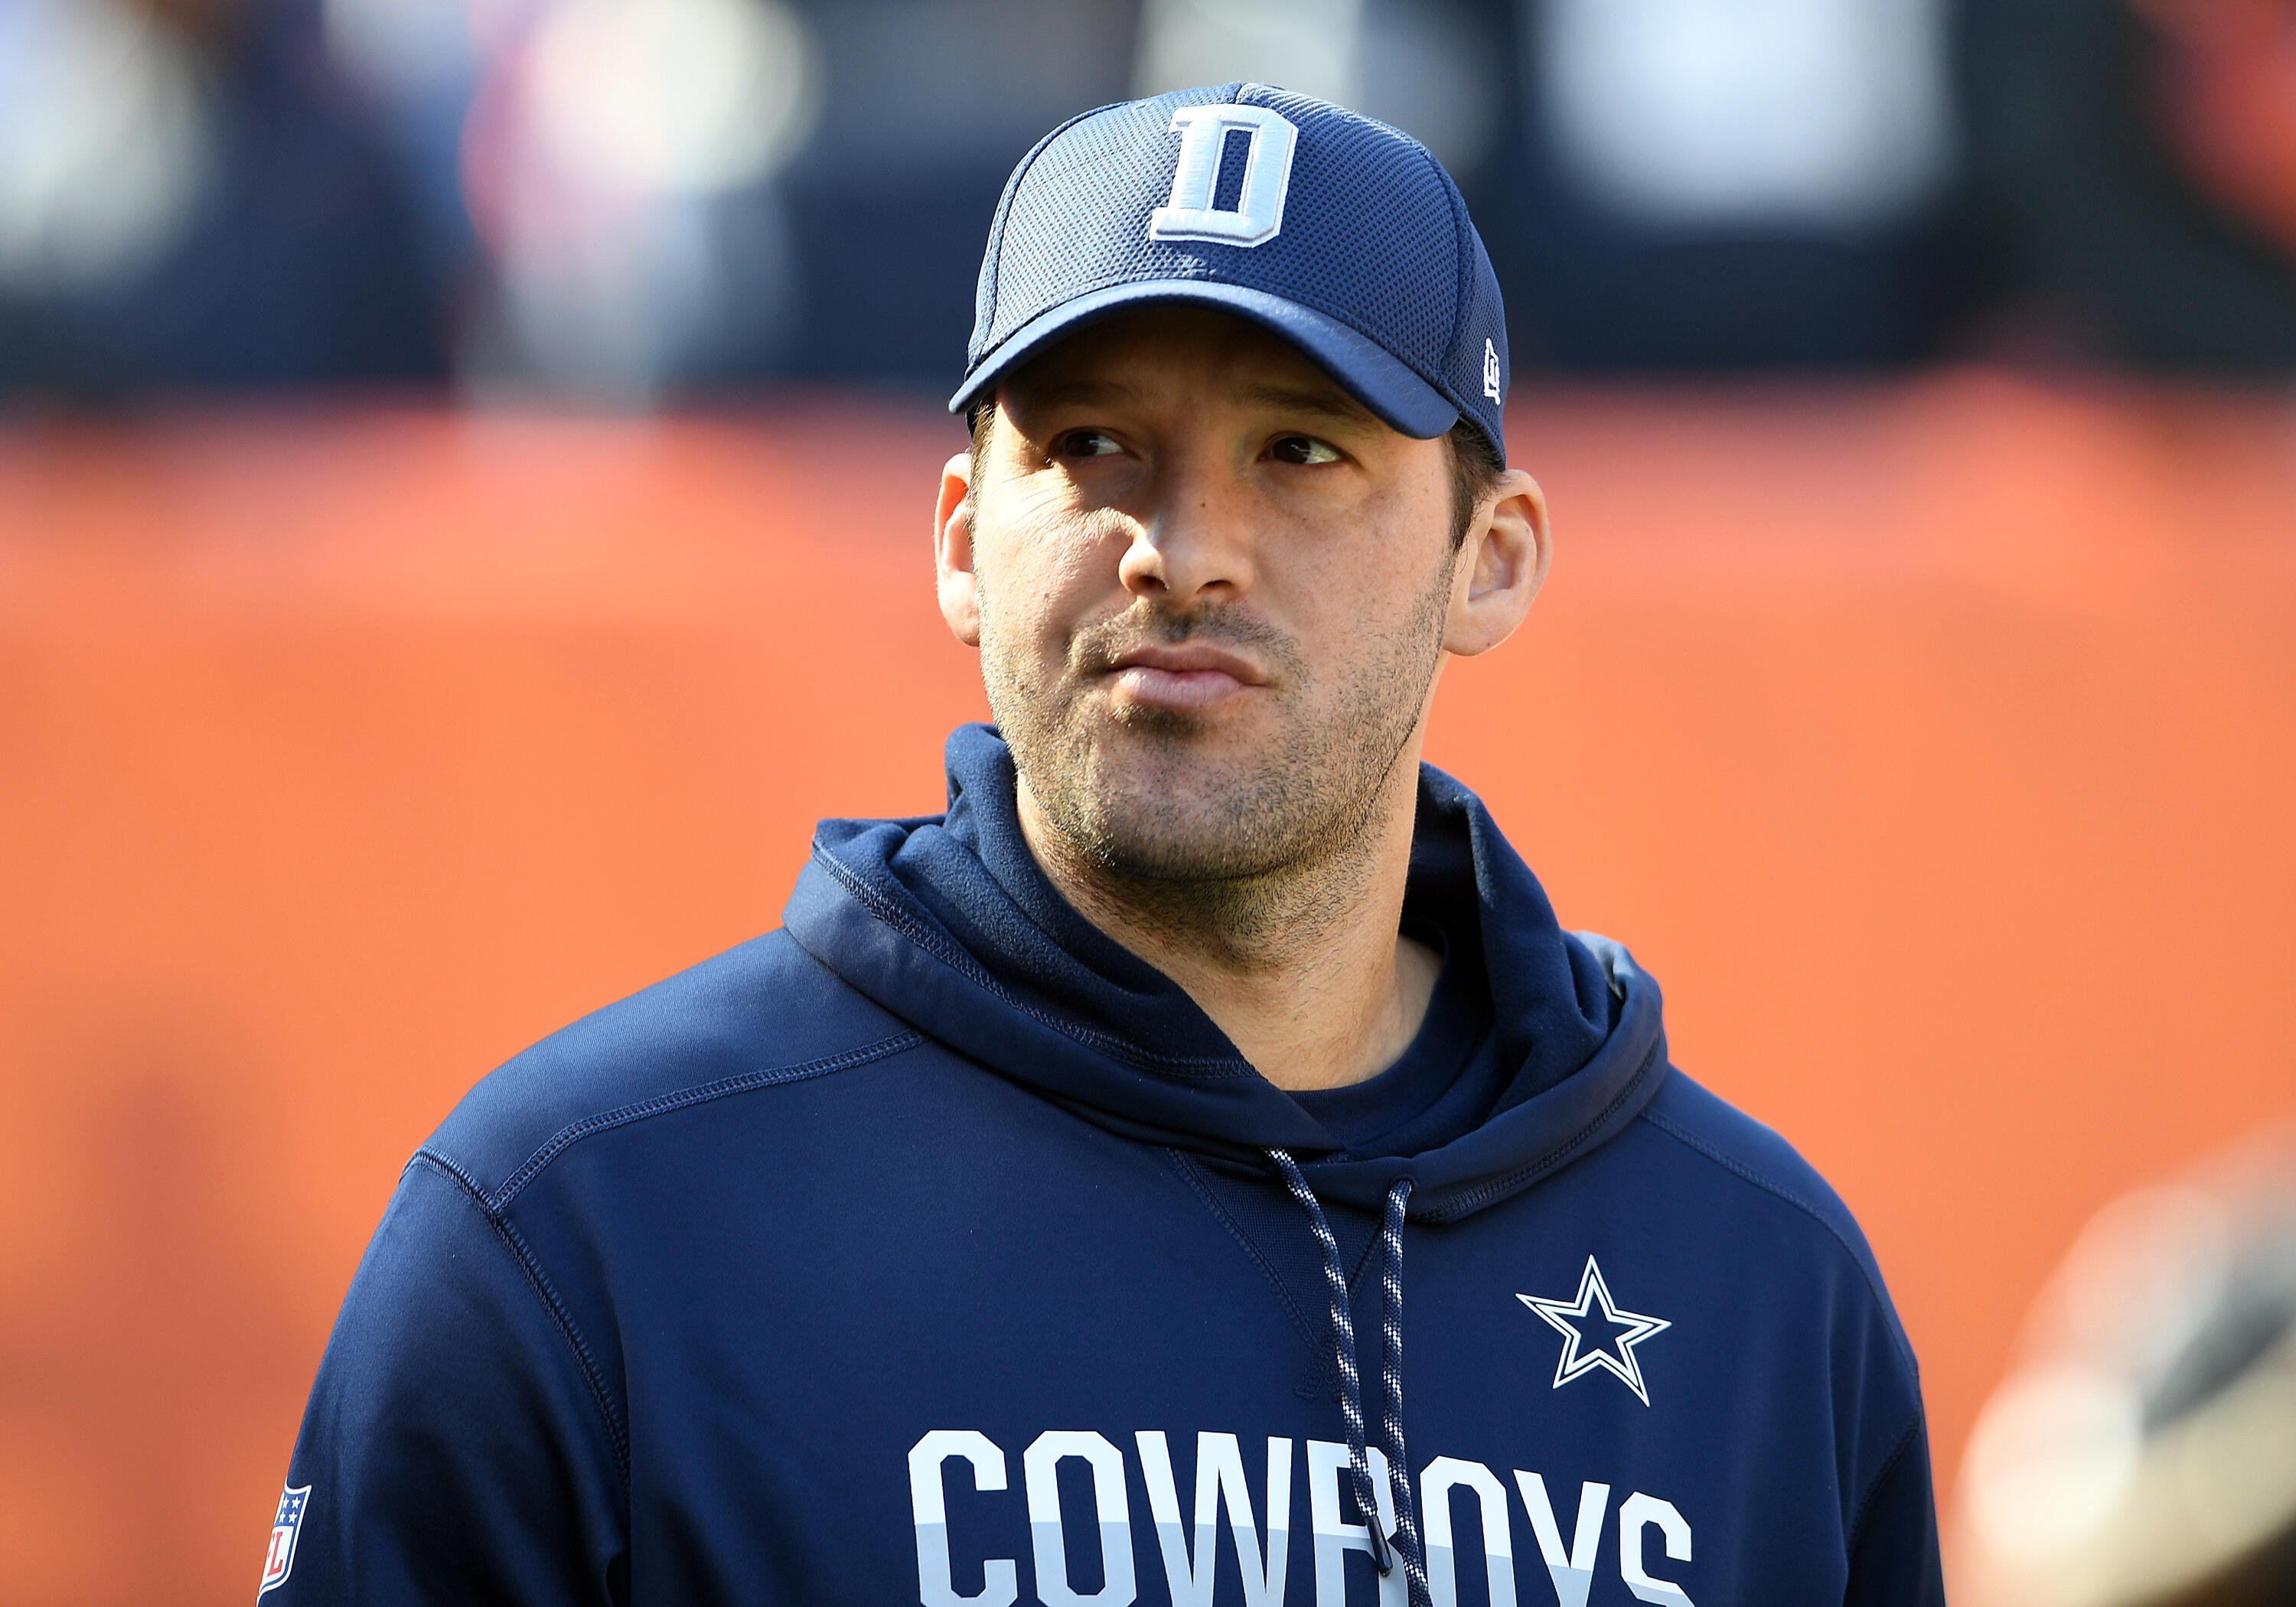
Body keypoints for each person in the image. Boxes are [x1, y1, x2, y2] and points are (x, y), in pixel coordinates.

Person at [264, 86, 1943, 1606]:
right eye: (1091, 447)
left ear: (1489, 558)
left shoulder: (1759, 1295)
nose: (1186, 548)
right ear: (960, 538)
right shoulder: (583, 1228)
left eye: (1301, 452)